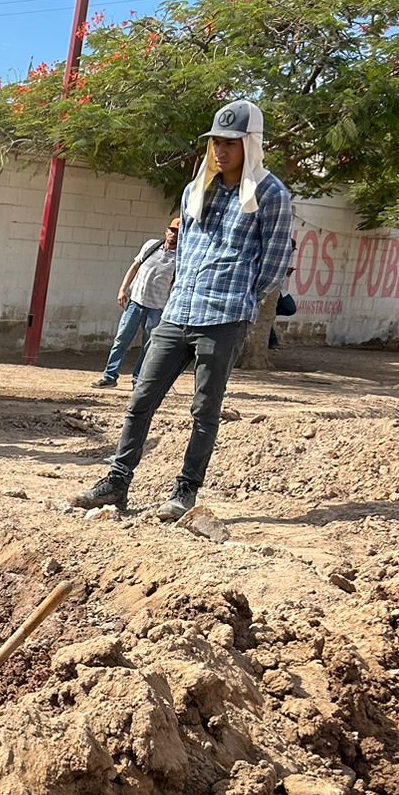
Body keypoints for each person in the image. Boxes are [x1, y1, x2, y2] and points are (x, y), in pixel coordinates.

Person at [71, 100, 291, 521]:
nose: (220, 151)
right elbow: (185, 248)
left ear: (251, 144)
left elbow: (274, 262)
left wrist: (241, 297)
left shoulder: (271, 194)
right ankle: (117, 483)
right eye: (215, 143)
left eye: (231, 143)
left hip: (224, 316)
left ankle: (184, 493)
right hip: (178, 311)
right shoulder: (195, 189)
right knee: (141, 397)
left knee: (205, 410)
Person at [91, 218, 179, 389]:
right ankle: (109, 377)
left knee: (149, 346)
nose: (173, 235)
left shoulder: (181, 258)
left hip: (157, 308)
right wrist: (123, 289)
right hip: (135, 302)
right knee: (121, 340)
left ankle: (138, 380)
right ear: (166, 231)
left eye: (178, 232)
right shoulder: (151, 246)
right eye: (172, 230)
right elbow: (135, 266)